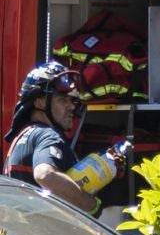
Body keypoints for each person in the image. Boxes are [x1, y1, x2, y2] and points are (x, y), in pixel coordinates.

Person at [5, 60, 111, 215]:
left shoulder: (25, 136)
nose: (72, 106)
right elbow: (45, 175)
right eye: (62, 100)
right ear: (39, 102)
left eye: (72, 100)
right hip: (43, 229)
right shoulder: (48, 135)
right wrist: (92, 205)